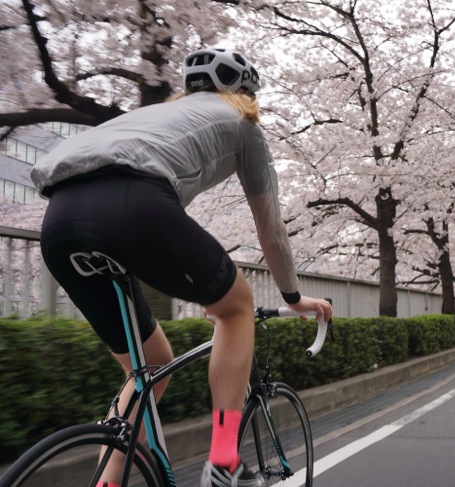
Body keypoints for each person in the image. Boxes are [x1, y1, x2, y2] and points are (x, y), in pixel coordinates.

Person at [31, 47, 332, 487]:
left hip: (58, 222)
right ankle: (226, 461)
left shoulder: (148, 117)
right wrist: (292, 297)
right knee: (237, 307)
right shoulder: (244, 126)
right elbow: (271, 231)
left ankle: (106, 482)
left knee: (149, 364)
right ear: (246, 95)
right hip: (134, 206)